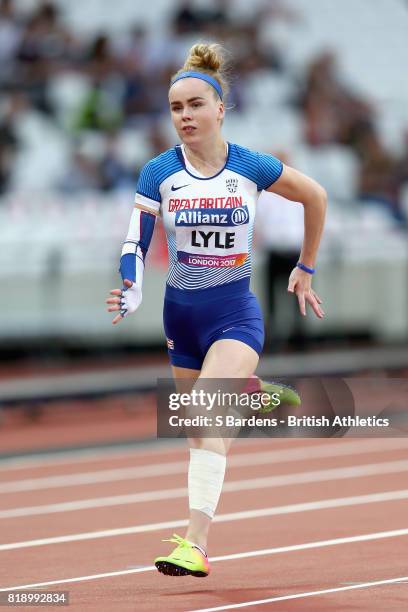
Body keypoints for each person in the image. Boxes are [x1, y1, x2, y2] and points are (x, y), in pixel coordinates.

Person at [106, 42, 326, 578]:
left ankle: (195, 543)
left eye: (195, 105)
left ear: (220, 107)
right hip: (180, 319)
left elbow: (315, 196)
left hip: (234, 316)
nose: (185, 117)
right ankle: (251, 399)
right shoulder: (159, 171)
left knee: (203, 415)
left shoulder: (249, 165)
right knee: (201, 431)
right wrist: (130, 284)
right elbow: (135, 240)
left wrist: (306, 266)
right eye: (176, 108)